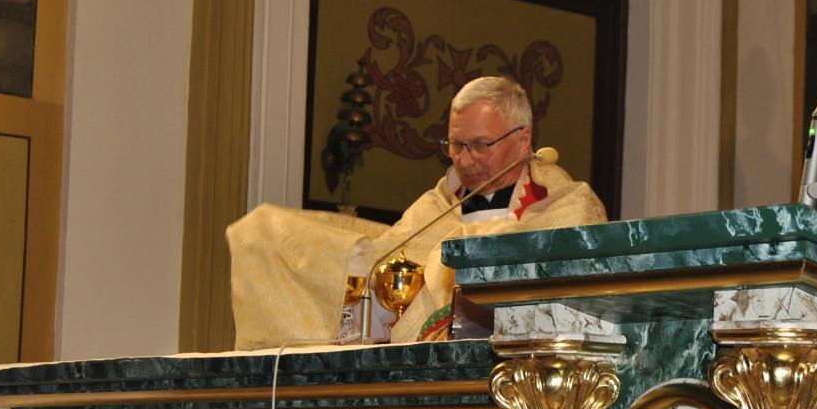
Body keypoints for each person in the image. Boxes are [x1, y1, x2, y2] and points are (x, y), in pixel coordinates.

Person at [228, 76, 608, 347]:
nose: (465, 160)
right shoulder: (436, 206)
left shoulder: (566, 207)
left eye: (480, 145)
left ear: (523, 138)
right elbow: (386, 260)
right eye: (455, 145)